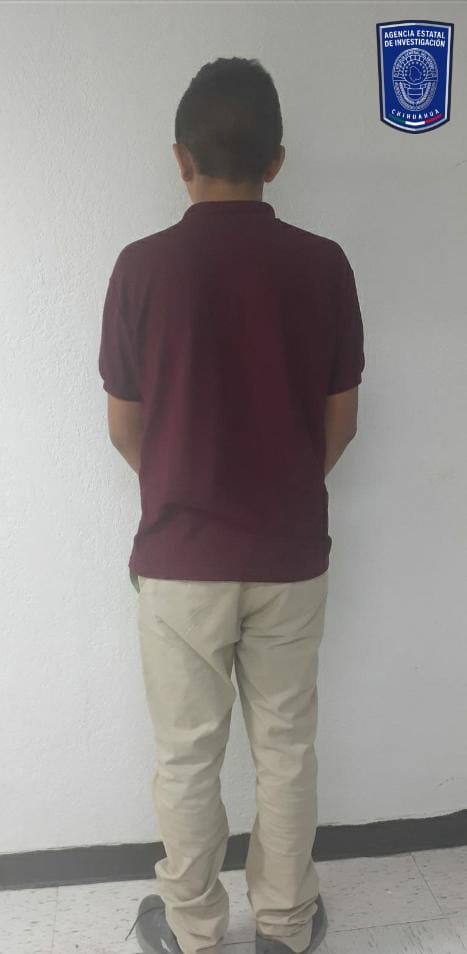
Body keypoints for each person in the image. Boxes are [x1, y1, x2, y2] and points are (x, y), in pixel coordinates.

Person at [98, 56, 365, 954]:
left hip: (180, 560)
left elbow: (124, 427)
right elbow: (341, 421)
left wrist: (184, 486)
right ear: (276, 160)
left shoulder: (140, 268)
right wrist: (281, 484)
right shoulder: (323, 265)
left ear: (180, 158)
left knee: (186, 754)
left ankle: (195, 934)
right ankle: (285, 929)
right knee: (285, 749)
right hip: (289, 553)